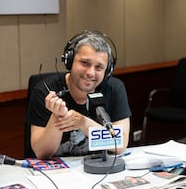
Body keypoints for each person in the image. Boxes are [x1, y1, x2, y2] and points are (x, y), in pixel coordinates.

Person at [26, 30, 132, 159]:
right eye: (85, 63)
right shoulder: (45, 91)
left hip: (99, 171)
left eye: (99, 67)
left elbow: (120, 145)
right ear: (69, 61)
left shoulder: (114, 89)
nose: (91, 73)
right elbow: (42, 153)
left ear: (107, 70)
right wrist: (56, 117)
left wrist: (84, 123)